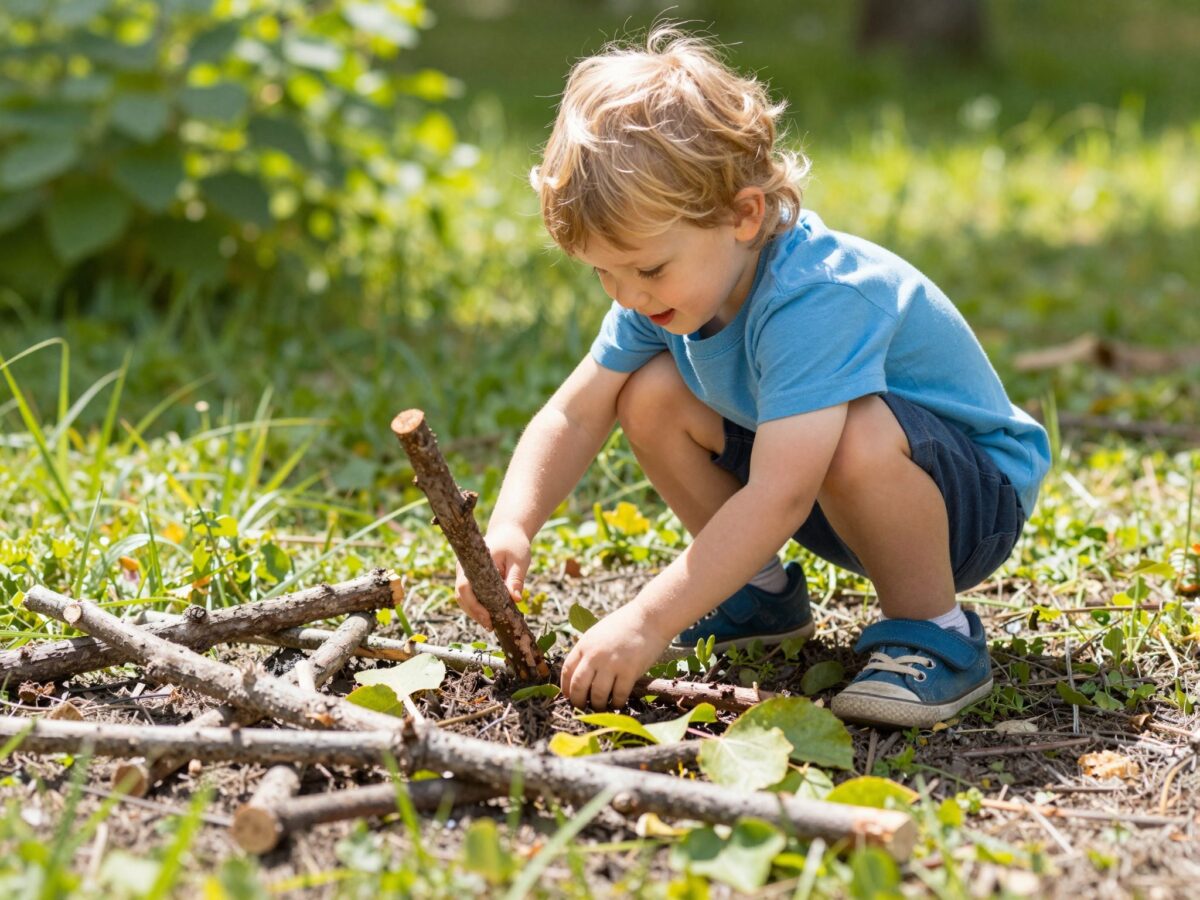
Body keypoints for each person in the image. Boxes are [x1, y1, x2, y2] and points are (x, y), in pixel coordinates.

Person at [454, 25, 1050, 729]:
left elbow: (780, 493)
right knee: (647, 394)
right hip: (831, 490)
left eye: (647, 268)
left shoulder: (815, 296)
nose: (627, 295)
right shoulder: (669, 294)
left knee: (852, 427)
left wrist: (647, 620)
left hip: (967, 505)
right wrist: (511, 525)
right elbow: (574, 413)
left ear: (743, 215)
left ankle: (937, 631)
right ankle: (758, 597)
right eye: (603, 273)